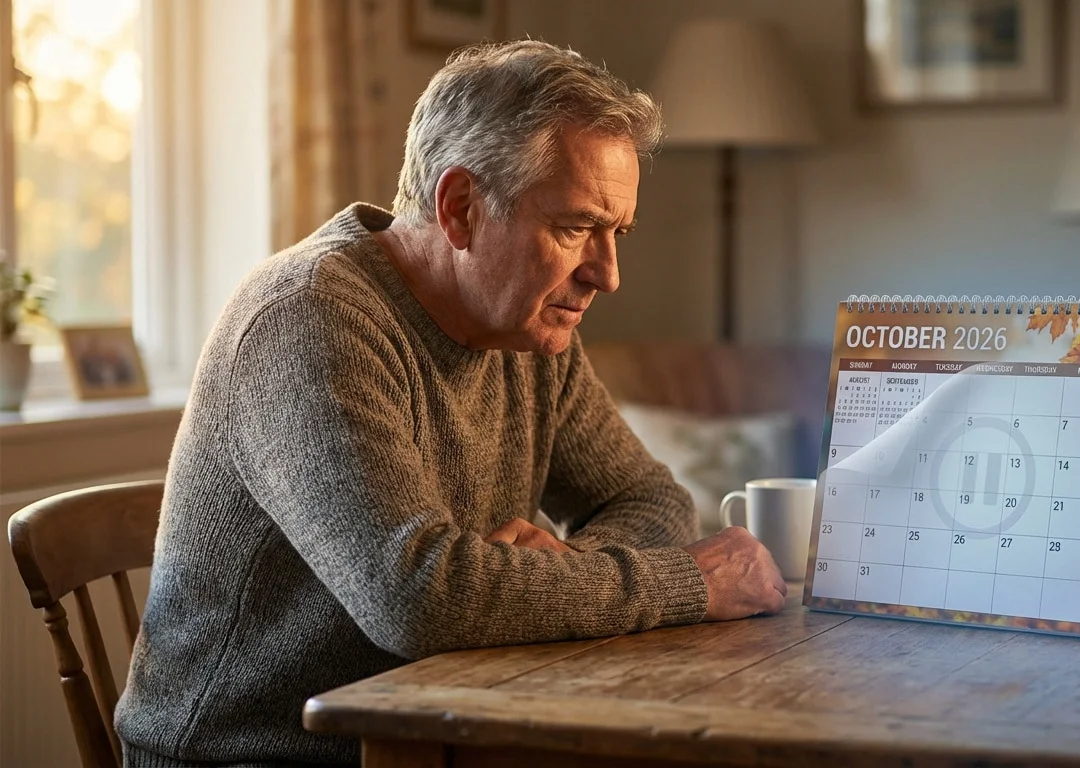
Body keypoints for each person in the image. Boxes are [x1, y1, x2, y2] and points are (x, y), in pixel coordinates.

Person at [115, 40, 786, 767]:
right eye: (575, 228)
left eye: (616, 232)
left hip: (439, 729)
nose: (607, 274)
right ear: (461, 207)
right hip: (255, 756)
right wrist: (687, 582)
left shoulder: (526, 327)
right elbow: (417, 600)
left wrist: (564, 572)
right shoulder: (307, 318)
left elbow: (651, 500)